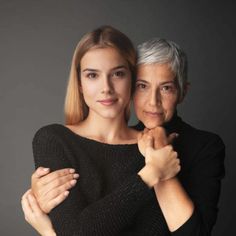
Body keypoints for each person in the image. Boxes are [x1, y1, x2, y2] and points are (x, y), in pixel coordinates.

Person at [21, 35, 225, 236]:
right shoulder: (135, 146)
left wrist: (48, 233)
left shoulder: (201, 146)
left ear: (182, 92)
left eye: (166, 88)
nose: (153, 102)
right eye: (142, 86)